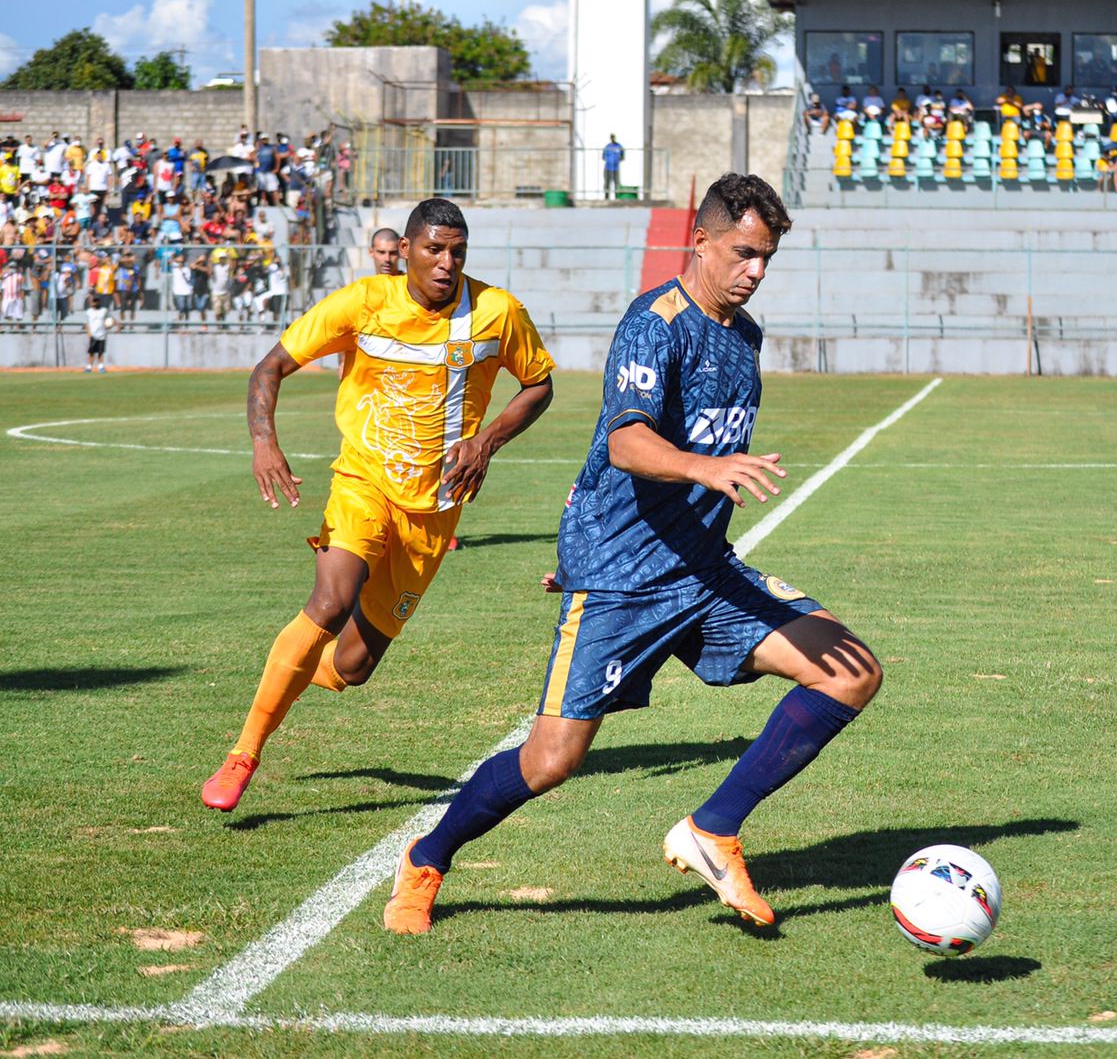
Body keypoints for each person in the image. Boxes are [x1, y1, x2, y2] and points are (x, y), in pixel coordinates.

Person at [382, 173, 883, 936]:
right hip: (619, 577)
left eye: (767, 259)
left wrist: (705, 494)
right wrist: (701, 470)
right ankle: (427, 856)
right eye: (744, 253)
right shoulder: (655, 323)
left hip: (703, 570)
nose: (755, 271)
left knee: (850, 670)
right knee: (551, 760)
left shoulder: (745, 336)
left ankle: (712, 828)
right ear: (703, 240)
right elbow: (625, 441)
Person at [198, 198, 558, 812]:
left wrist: (487, 440)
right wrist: (264, 444)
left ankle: (287, 675)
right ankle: (243, 753)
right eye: (434, 250)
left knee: (356, 665)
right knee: (331, 600)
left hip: (436, 508)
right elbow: (271, 367)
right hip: (363, 481)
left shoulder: (498, 312)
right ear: (409, 251)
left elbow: (539, 383)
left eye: (457, 252)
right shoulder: (364, 302)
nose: (446, 263)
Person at [84, 293, 115, 372]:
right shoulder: (89, 312)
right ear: (92, 302)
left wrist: (110, 326)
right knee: (91, 352)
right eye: (95, 301)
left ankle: (101, 366)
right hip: (93, 335)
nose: (96, 303)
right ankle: (89, 367)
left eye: (97, 301)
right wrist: (88, 332)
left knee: (100, 352)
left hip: (102, 334)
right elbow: (86, 323)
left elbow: (111, 319)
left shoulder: (104, 310)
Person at [602, 134, 624, 199]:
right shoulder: (608, 146)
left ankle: (617, 196)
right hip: (608, 168)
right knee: (607, 183)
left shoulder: (619, 146)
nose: (613, 139)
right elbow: (603, 156)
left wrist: (617, 160)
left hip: (616, 168)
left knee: (616, 183)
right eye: (612, 138)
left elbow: (622, 155)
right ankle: (606, 196)